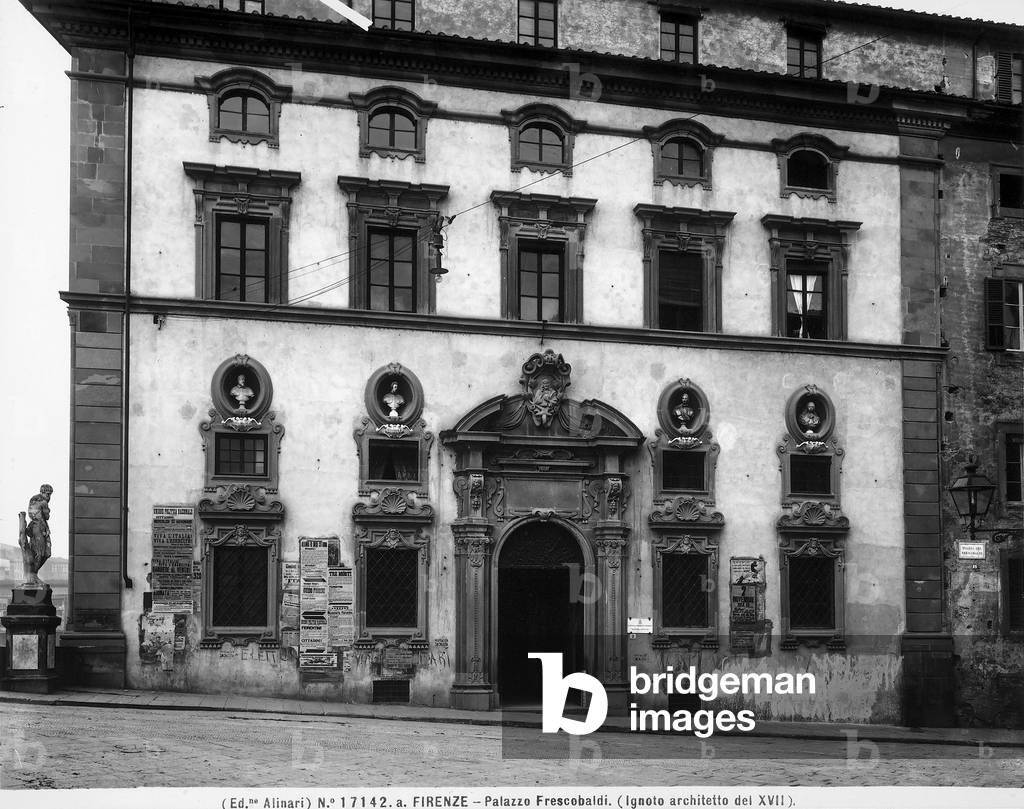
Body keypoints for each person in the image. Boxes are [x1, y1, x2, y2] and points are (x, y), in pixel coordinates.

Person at [19, 484, 53, 585]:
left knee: (43, 553)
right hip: (39, 529)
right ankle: (33, 576)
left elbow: (33, 514)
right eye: (48, 494)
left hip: (35, 528)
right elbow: (47, 516)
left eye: (50, 494)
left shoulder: (33, 499)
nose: (49, 496)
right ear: (42, 492)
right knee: (41, 553)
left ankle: (33, 575)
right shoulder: (43, 502)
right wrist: (46, 510)